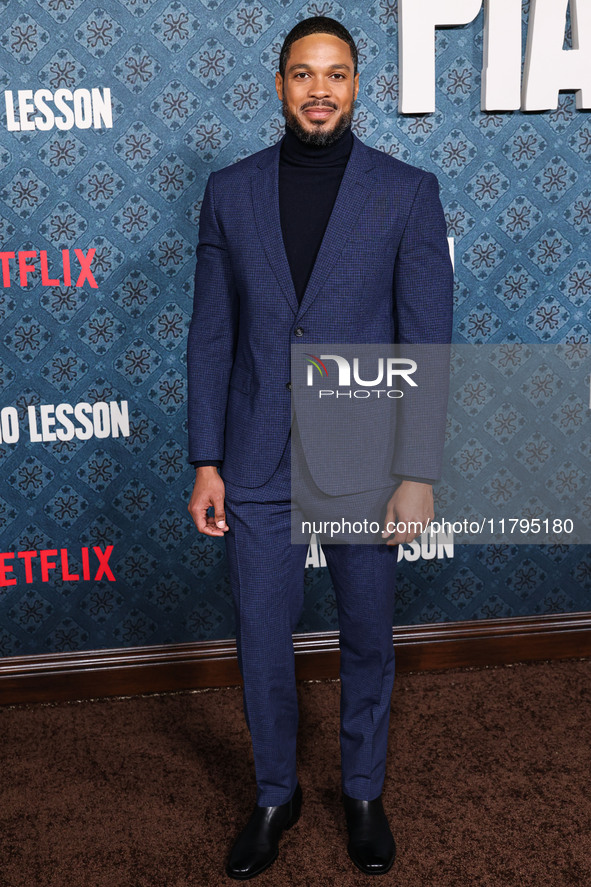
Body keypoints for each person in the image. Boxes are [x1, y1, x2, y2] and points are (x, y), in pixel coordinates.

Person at [187, 16, 453, 879]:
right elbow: (211, 336)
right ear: (278, 85)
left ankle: (362, 788)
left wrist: (416, 472)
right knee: (261, 634)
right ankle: (274, 793)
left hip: (364, 457)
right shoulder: (228, 192)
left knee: (367, 634)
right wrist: (205, 458)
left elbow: (427, 345)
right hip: (254, 448)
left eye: (335, 74)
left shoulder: (407, 192)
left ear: (355, 84)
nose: (319, 89)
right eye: (303, 74)